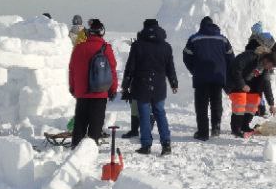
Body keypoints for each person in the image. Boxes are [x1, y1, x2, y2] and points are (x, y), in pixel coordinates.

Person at [121, 19, 177, 156]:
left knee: (144, 116)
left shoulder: (137, 45)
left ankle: (146, 145)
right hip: (159, 86)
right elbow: (170, 67)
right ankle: (166, 144)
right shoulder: (166, 46)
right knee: (160, 113)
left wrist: (126, 85)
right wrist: (174, 83)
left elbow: (130, 68)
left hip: (141, 85)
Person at [68, 18, 118, 151]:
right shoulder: (105, 48)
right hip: (99, 91)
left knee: (80, 121)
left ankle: (75, 146)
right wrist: (112, 89)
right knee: (96, 122)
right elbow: (112, 70)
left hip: (82, 92)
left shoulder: (79, 47)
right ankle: (91, 148)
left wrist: (73, 88)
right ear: (101, 32)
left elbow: (72, 69)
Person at [183, 17, 235, 141]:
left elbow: (186, 56)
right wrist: (224, 72)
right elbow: (231, 58)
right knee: (216, 102)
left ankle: (203, 132)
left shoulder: (194, 38)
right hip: (218, 77)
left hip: (201, 77)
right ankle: (216, 128)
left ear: (201, 26)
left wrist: (193, 69)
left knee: (201, 105)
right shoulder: (223, 39)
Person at [229, 50, 276, 135]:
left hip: (247, 84)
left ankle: (244, 125)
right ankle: (236, 128)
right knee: (240, 101)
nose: (270, 69)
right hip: (234, 81)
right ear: (266, 60)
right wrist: (242, 85)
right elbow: (236, 69)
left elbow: (267, 85)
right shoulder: (250, 56)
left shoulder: (265, 69)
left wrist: (271, 104)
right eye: (270, 66)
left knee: (255, 99)